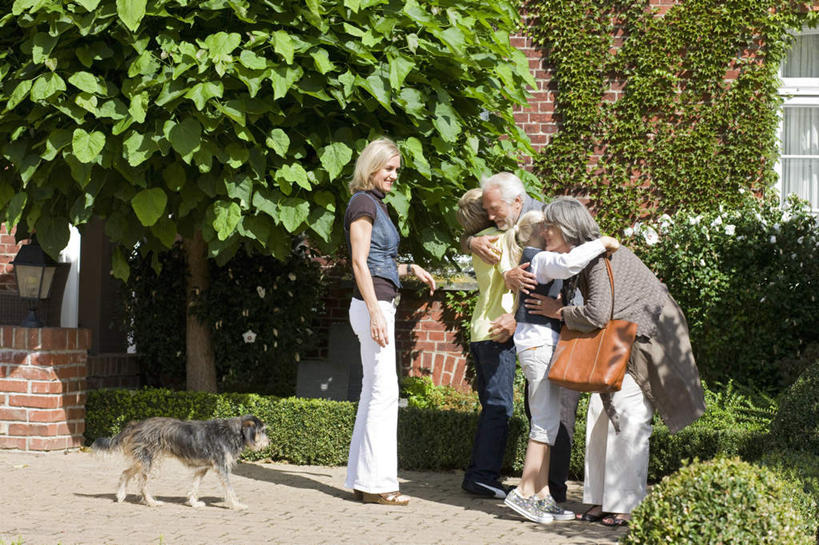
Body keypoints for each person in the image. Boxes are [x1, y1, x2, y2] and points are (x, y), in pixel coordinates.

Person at [525, 197, 706, 527]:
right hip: (621, 338)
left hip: (645, 338)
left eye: (549, 225)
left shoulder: (597, 259)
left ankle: (625, 505)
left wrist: (559, 313)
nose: (543, 230)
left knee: (628, 416)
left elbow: (596, 313)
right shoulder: (580, 260)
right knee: (599, 417)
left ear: (568, 229)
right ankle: (600, 500)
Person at [458, 173, 576, 502]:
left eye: (494, 208)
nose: (492, 215)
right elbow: (513, 274)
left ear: (517, 202)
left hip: (549, 325)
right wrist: (469, 241)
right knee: (526, 409)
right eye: (487, 210)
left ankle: (549, 487)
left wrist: (520, 313)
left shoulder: (543, 224)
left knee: (550, 410)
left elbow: (544, 274)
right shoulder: (500, 233)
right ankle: (529, 487)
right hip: (512, 332)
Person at [497, 211, 621, 524]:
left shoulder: (535, 259)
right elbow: (568, 264)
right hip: (538, 346)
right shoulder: (539, 260)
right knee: (544, 421)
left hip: (538, 345)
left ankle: (541, 494)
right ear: (543, 229)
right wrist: (601, 242)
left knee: (547, 423)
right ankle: (525, 491)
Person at [343, 137, 436, 506]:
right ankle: (380, 485)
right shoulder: (363, 202)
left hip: (377, 302)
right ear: (372, 167)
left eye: (397, 170)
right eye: (389, 169)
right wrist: (375, 312)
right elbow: (358, 262)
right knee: (384, 393)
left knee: (374, 392)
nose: (394, 176)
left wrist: (410, 268)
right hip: (373, 306)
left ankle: (364, 481)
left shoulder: (374, 204)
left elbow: (379, 262)